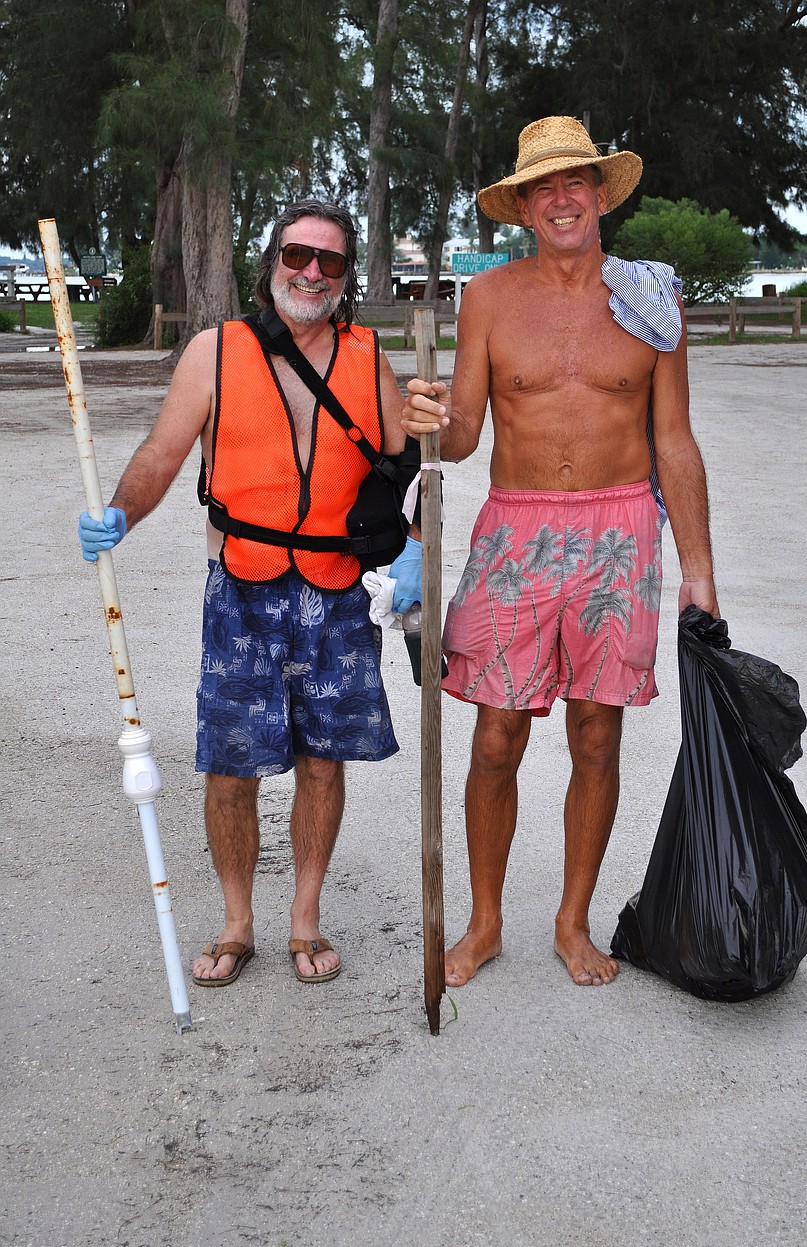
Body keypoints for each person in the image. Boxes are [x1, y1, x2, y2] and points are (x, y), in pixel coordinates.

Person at [403, 116, 718, 989]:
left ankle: (572, 920)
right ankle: (485, 919)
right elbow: (464, 434)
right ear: (525, 209)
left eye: (575, 181)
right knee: (495, 735)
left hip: (620, 535)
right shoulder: (490, 300)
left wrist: (698, 569)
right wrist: (427, 416)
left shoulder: (650, 300)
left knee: (595, 734)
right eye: (543, 187)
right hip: (516, 532)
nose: (561, 198)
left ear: (599, 193)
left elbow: (676, 440)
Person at [78, 199, 423, 987]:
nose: (312, 273)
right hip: (242, 585)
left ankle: (305, 917)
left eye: (330, 263)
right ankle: (238, 921)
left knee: (323, 765)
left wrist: (417, 548)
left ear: (344, 279)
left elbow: (414, 467)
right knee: (231, 769)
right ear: (271, 263)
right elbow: (165, 450)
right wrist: (119, 513)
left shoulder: (369, 361)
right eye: (298, 256)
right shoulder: (215, 351)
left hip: (338, 593)